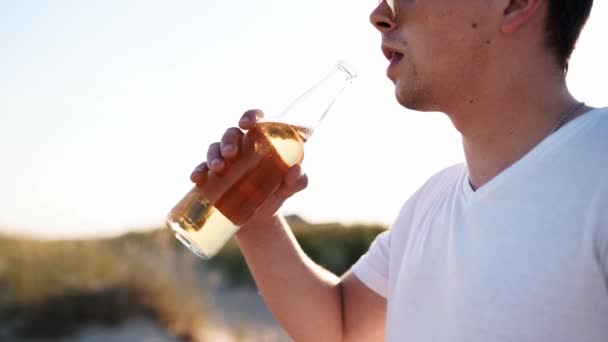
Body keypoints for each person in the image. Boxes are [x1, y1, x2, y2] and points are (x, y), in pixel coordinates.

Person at [190, 0, 606, 340]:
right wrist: (257, 220)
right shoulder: (426, 207)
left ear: (515, 5)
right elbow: (341, 327)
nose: (380, 13)